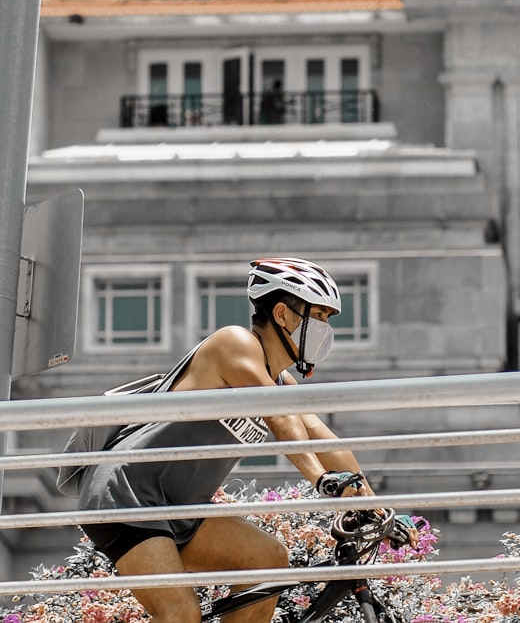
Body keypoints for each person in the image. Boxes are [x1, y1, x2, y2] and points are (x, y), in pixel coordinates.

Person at [76, 257, 416, 623]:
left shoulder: (282, 382)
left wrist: (377, 507)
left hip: (180, 507)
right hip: (127, 495)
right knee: (179, 614)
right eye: (319, 315)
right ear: (283, 314)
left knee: (267, 561)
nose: (326, 328)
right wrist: (320, 479)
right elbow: (277, 413)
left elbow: (325, 439)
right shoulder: (234, 343)